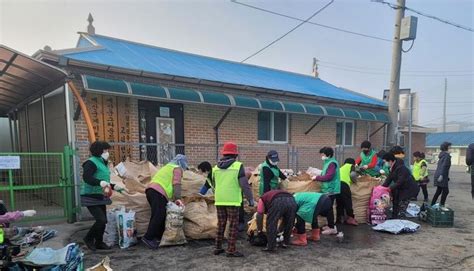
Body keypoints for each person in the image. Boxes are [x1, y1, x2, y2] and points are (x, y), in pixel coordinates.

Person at [81, 141, 124, 251]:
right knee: (101, 220)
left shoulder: (102, 163)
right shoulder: (90, 163)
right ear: (99, 151)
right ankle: (88, 239)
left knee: (103, 221)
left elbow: (105, 181)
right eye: (105, 150)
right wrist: (99, 183)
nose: (107, 152)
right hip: (90, 195)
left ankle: (99, 242)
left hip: (101, 195)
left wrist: (114, 186)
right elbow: (87, 178)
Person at [213, 142, 254, 257]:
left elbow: (214, 183)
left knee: (221, 223)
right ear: (235, 155)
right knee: (233, 225)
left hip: (219, 199)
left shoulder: (215, 167)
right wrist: (250, 199)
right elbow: (244, 184)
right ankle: (231, 250)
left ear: (224, 154)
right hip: (232, 201)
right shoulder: (237, 166)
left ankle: (217, 247)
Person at [142, 154, 187, 249]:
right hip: (158, 192)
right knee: (159, 215)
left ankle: (156, 237)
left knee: (157, 214)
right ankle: (148, 238)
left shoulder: (167, 167)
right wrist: (178, 198)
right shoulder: (177, 168)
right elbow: (176, 184)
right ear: (181, 162)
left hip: (151, 190)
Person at [382, 153, 419, 219]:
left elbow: (400, 181)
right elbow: (389, 179)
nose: (385, 164)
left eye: (385, 162)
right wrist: (381, 188)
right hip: (401, 188)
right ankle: (394, 218)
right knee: (395, 202)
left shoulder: (401, 168)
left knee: (401, 205)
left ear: (390, 161)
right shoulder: (392, 168)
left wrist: (390, 188)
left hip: (409, 189)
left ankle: (401, 221)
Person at [312, 147, 339, 235]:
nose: (322, 156)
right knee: (328, 207)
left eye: (323, 154)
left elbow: (329, 177)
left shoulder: (332, 163)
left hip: (331, 189)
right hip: (327, 188)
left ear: (329, 155)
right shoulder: (327, 163)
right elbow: (325, 174)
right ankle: (330, 225)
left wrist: (317, 178)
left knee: (329, 208)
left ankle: (332, 227)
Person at [336, 158, 358, 225]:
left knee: (339, 202)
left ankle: (340, 218)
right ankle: (350, 218)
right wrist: (355, 181)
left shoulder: (341, 168)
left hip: (337, 185)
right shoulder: (351, 166)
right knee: (348, 202)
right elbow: (352, 175)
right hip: (344, 185)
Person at [431, 142, 452, 209]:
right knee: (446, 191)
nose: (451, 149)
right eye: (450, 147)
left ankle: (432, 204)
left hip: (439, 175)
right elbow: (444, 166)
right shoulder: (447, 156)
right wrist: (442, 175)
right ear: (446, 148)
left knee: (439, 191)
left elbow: (441, 166)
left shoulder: (442, 155)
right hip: (441, 176)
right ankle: (441, 205)